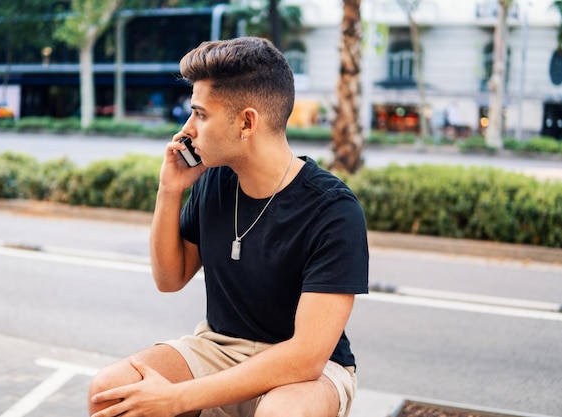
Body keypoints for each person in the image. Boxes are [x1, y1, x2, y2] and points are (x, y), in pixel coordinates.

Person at [88, 36, 369, 417]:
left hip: (308, 371)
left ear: (246, 123)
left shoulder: (333, 209)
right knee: (111, 391)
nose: (187, 129)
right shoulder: (213, 180)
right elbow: (169, 279)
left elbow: (306, 357)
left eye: (200, 114)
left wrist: (178, 398)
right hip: (218, 347)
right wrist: (169, 190)